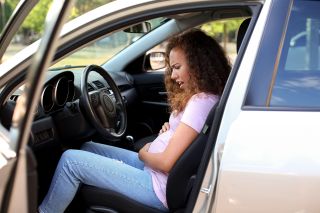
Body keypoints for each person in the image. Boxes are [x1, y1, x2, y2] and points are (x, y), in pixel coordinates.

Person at [38, 29, 230, 213]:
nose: (172, 75)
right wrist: (170, 130)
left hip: (157, 186)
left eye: (177, 67)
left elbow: (165, 163)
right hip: (157, 175)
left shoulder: (200, 101)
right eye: (172, 69)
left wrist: (143, 154)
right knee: (87, 147)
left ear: (198, 64)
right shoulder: (208, 97)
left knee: (70, 161)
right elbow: (186, 138)